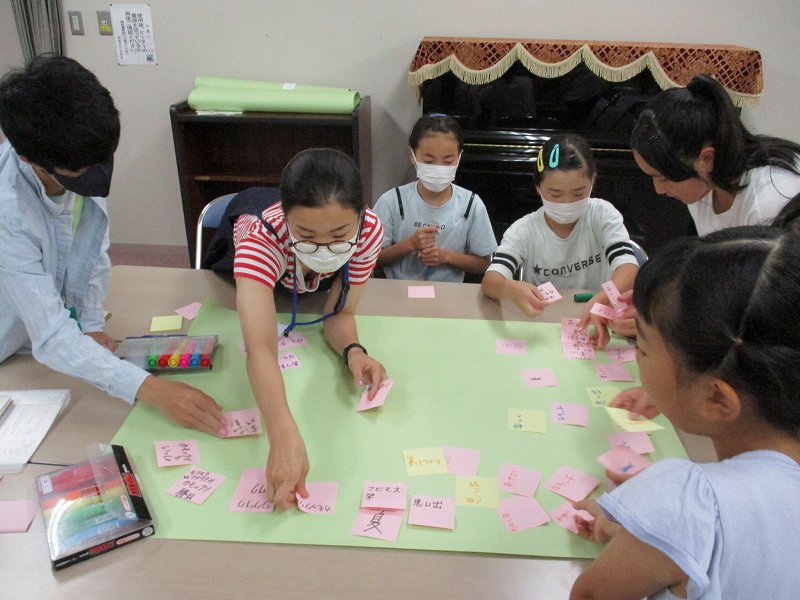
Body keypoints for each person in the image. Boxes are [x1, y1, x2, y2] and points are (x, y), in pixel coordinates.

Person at [570, 226, 800, 600]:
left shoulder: (687, 500)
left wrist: (659, 521)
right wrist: (652, 539)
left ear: (717, 400)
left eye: (640, 347)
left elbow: (589, 596)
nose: (637, 360)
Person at [0, 56, 223, 435]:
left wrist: (87, 323)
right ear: (30, 159)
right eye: (84, 170)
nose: (100, 173)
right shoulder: (8, 211)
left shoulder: (79, 154)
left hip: (48, 333)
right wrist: (150, 389)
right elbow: (50, 335)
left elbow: (89, 253)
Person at [233, 147, 386, 509]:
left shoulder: (369, 231)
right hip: (246, 244)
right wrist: (282, 434)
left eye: (338, 235)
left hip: (303, 280)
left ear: (361, 216)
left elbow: (341, 314)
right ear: (287, 220)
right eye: (306, 234)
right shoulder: (261, 238)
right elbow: (260, 348)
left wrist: (354, 351)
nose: (323, 247)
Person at [482, 134, 639, 332]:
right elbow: (490, 282)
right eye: (555, 194)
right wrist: (509, 288)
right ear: (538, 187)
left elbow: (628, 268)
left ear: (593, 180)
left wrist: (603, 298)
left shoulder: (601, 215)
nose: (567, 203)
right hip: (544, 324)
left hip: (598, 317)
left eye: (579, 193)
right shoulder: (524, 230)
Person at [631, 73, 800, 237]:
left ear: (706, 159)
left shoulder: (768, 204)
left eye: (663, 178)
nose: (658, 189)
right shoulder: (703, 186)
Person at [373, 114, 497, 282]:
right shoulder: (392, 201)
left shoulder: (471, 204)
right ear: (412, 155)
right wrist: (410, 243)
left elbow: (484, 263)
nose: (438, 168)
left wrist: (445, 256)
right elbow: (372, 258)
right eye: (429, 161)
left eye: (448, 161)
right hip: (399, 293)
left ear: (459, 157)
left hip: (449, 296)